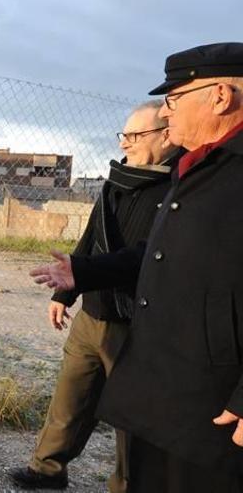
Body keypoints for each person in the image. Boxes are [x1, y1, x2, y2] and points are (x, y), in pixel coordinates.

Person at [31, 42, 243, 492]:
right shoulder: (199, 169)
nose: (170, 113)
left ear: (221, 96)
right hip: (170, 386)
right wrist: (80, 275)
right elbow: (157, 253)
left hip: (215, 403)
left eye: (175, 99)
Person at [10, 101, 180, 491]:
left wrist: (81, 274)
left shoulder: (179, 187)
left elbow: (144, 258)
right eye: (124, 135)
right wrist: (64, 296)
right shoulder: (115, 182)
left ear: (166, 135)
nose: (127, 144)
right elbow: (90, 241)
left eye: (136, 136)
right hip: (93, 314)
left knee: (132, 416)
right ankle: (47, 469)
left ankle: (127, 485)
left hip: (138, 324)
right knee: (70, 399)